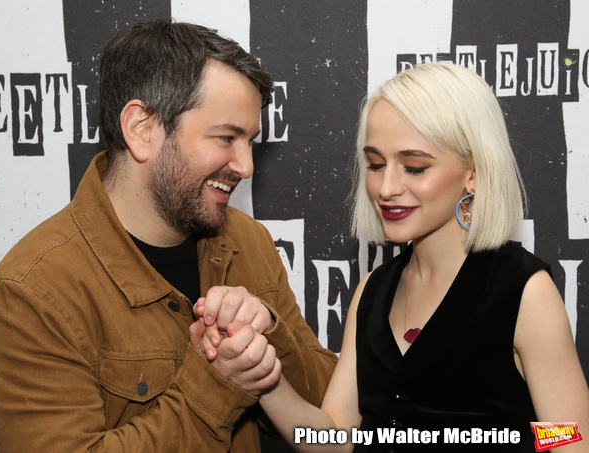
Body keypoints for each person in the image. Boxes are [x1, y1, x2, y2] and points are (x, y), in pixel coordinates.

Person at [197, 62, 589, 452]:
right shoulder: (374, 290)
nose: (386, 188)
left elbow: (572, 438)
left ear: (473, 172)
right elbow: (336, 438)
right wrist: (262, 377)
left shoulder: (522, 291)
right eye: (376, 164)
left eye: (415, 168)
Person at [0, 18, 337, 452]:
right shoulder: (33, 291)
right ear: (142, 129)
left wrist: (267, 331)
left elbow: (327, 410)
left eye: (250, 142)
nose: (246, 167)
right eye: (226, 137)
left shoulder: (248, 242)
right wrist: (217, 385)